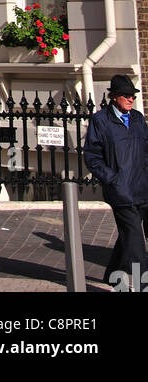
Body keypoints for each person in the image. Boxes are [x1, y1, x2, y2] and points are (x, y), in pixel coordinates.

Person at [84, 74, 148, 287]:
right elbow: (92, 156)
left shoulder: (138, 119)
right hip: (120, 191)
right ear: (114, 97)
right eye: (126, 96)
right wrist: (113, 179)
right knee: (135, 240)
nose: (131, 100)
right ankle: (142, 284)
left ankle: (111, 274)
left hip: (142, 187)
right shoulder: (101, 120)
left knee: (128, 236)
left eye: (132, 96)